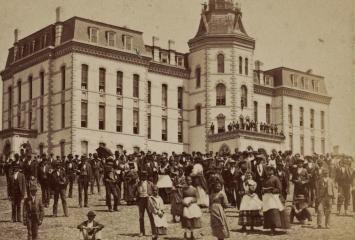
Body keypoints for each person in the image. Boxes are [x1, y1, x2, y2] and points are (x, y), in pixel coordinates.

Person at [262, 166, 289, 235]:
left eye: (270, 170)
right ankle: (270, 227)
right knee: (268, 212)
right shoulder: (265, 179)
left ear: (273, 171)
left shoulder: (275, 178)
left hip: (274, 197)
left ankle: (273, 229)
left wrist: (272, 190)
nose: (268, 172)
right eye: (267, 170)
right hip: (267, 197)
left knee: (273, 212)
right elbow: (262, 187)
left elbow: (279, 188)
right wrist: (263, 190)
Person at [181, 176, 202, 240]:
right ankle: (186, 234)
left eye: (190, 180)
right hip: (185, 206)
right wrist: (184, 203)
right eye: (187, 180)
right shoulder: (183, 189)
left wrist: (191, 202)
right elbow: (181, 198)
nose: (188, 181)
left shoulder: (194, 189)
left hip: (192, 205)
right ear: (185, 181)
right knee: (186, 219)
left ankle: (192, 234)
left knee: (192, 219)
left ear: (191, 181)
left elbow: (196, 198)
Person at [136, 171, 155, 237]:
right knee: (141, 217)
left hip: (148, 199)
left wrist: (152, 198)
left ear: (146, 176)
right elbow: (135, 191)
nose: (143, 177)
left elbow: (155, 190)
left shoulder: (150, 183)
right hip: (141, 200)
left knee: (151, 216)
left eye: (145, 175)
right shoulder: (138, 183)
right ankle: (142, 231)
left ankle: (154, 232)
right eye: (142, 176)